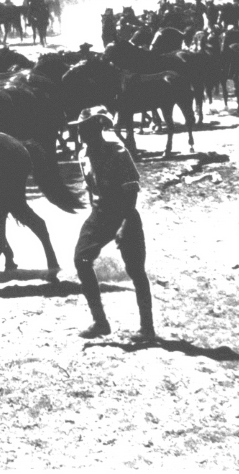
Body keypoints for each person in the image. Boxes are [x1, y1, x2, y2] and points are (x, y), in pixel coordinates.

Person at [68, 106, 155, 342]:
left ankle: (147, 328)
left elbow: (131, 189)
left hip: (124, 211)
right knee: (81, 259)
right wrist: (93, 219)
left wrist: (124, 223)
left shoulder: (116, 150)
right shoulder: (83, 154)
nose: (80, 134)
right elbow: (90, 188)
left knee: (135, 269)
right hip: (100, 213)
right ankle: (100, 322)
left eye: (85, 129)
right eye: (79, 129)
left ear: (97, 128)